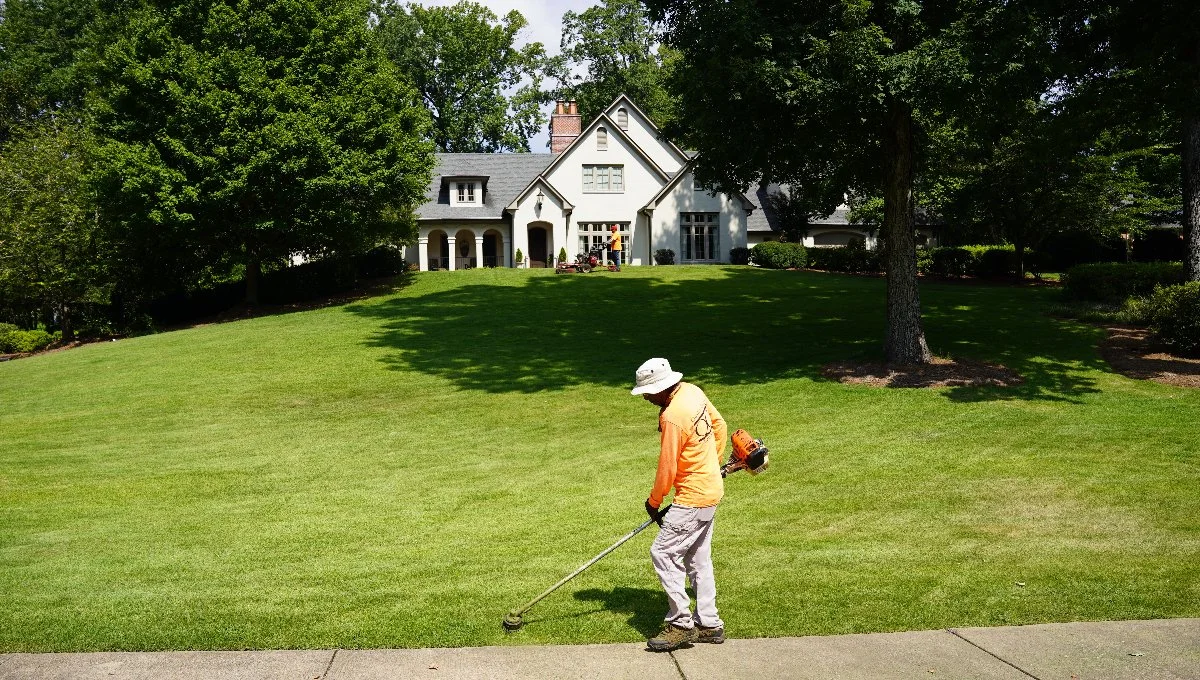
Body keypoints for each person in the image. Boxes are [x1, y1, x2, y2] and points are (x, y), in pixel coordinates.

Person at [630, 357, 727, 651]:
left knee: (663, 552)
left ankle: (680, 624)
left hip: (692, 498)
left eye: (648, 392)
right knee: (697, 559)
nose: (646, 397)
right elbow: (719, 425)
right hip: (710, 490)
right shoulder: (693, 392)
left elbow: (667, 466)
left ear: (662, 388)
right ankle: (709, 624)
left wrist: (654, 501)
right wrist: (713, 464)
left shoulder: (673, 416)